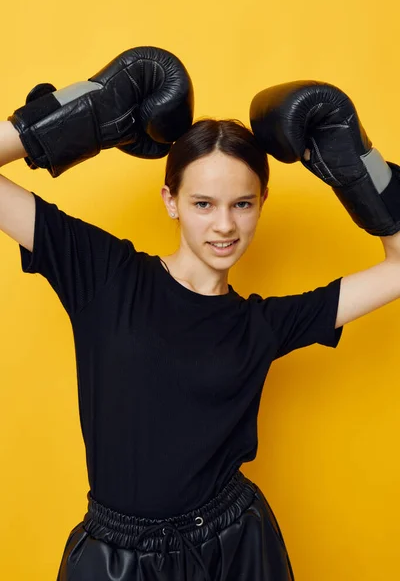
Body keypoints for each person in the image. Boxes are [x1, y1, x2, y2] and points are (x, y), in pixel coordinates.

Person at [2, 50, 400, 581]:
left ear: (263, 202)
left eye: (243, 204)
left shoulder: (264, 324)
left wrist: (359, 167)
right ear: (170, 201)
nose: (224, 226)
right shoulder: (103, 274)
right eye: (203, 203)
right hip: (116, 560)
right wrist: (91, 108)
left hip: (235, 547)